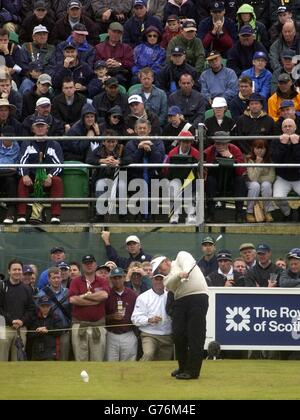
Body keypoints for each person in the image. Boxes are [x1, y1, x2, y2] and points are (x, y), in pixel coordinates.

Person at [151, 252, 209, 380]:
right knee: (178, 335)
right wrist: (179, 275)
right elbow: (171, 284)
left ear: (166, 261)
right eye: (158, 270)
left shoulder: (180, 256)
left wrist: (186, 271)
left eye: (161, 267)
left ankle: (193, 371)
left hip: (198, 297)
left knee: (195, 335)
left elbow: (188, 261)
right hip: (180, 301)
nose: (160, 271)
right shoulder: (166, 279)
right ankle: (183, 367)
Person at [68, 254, 110, 361]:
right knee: (81, 360)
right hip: (79, 326)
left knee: (97, 360)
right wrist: (95, 301)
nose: (89, 265)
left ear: (95, 265)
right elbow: (72, 300)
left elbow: (104, 295)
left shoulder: (102, 281)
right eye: (86, 263)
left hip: (98, 326)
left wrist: (85, 296)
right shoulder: (75, 281)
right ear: (82, 266)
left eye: (91, 263)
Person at [131, 272, 173, 361]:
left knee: (164, 363)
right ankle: (140, 374)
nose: (158, 282)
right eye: (156, 279)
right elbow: (135, 318)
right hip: (149, 334)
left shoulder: (170, 296)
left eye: (161, 279)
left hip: (167, 335)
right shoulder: (143, 297)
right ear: (152, 280)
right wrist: (149, 320)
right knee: (148, 354)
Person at [0, 259, 35, 361]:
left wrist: (22, 321)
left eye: (19, 269)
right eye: (14, 269)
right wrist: (11, 320)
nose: (17, 272)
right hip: (4, 328)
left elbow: (31, 309)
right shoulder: (2, 286)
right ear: (9, 271)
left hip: (21, 329)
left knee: (19, 362)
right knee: (2, 361)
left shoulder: (27, 289)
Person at [105, 267, 138, 361]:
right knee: (111, 364)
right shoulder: (107, 294)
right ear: (111, 279)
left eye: (119, 277)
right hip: (111, 334)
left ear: (124, 278)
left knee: (129, 365)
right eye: (115, 278)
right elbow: (101, 317)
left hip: (128, 334)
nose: (117, 280)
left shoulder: (132, 295)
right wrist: (112, 316)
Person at [245, 139, 275, 223]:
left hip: (263, 183)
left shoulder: (270, 160)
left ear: (266, 149)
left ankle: (267, 211)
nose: (259, 151)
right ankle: (249, 212)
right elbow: (252, 178)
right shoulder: (249, 159)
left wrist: (259, 178)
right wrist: (258, 165)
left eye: (262, 148)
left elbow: (271, 178)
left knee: (266, 185)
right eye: (257, 148)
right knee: (255, 185)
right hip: (250, 183)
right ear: (253, 149)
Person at [29, 295, 63, 361]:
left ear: (50, 306)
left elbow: (59, 331)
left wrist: (47, 330)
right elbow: (30, 335)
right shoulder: (34, 318)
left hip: (51, 349)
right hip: (37, 350)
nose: (45, 308)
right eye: (43, 306)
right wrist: (38, 331)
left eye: (47, 306)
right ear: (39, 306)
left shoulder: (56, 318)